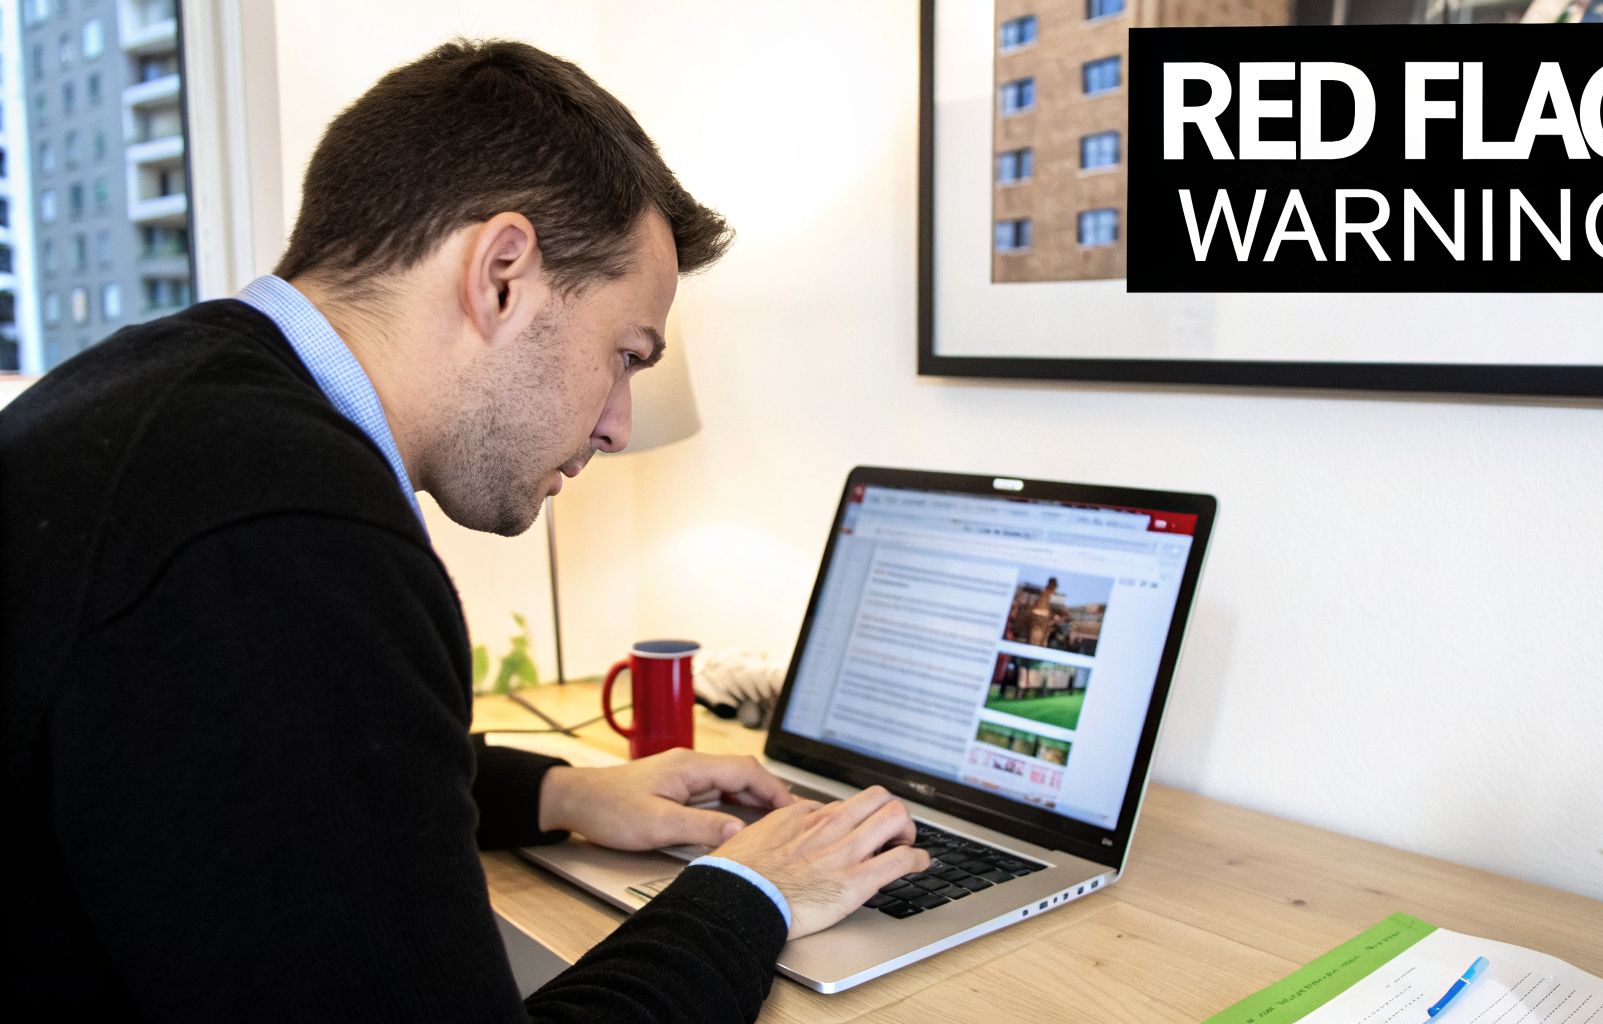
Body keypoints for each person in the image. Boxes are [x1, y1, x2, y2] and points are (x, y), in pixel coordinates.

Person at [0, 40, 928, 1021]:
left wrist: (562, 791)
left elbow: (280, 779)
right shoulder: (287, 529)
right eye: (624, 353)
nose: (616, 423)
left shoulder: (161, 398)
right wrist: (756, 889)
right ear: (500, 274)